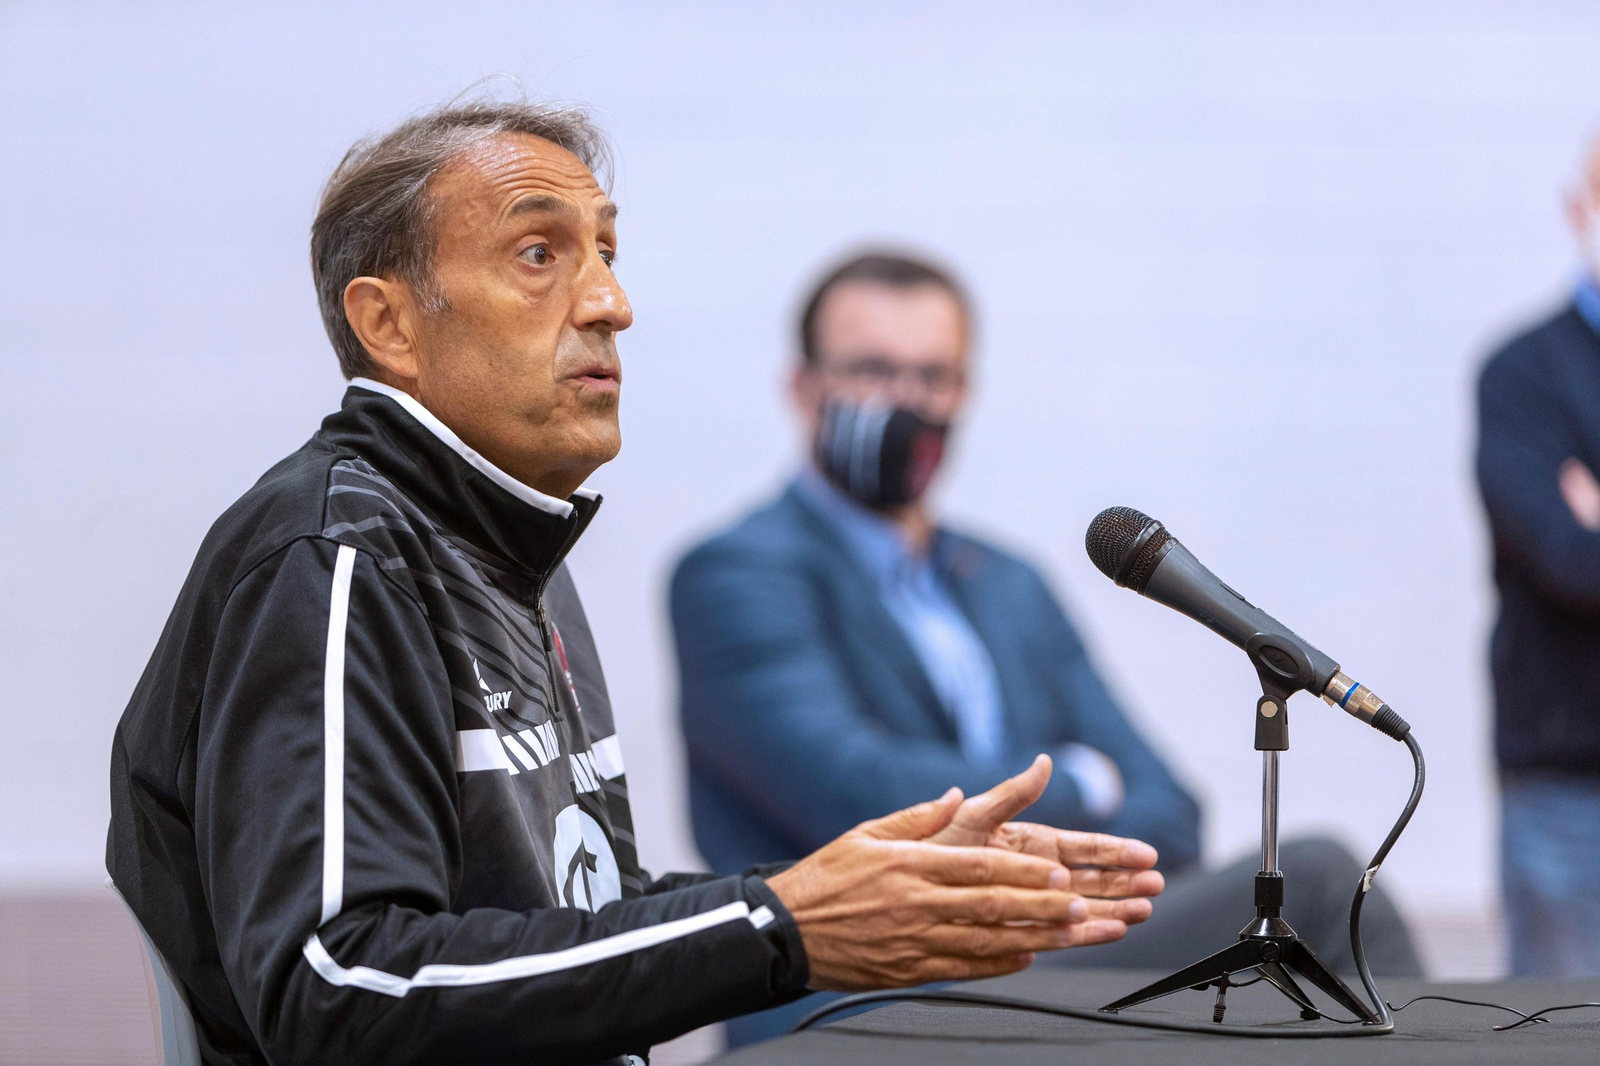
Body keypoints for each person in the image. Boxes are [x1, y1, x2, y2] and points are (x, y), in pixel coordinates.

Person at [105, 100, 1167, 1066]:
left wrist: (850, 892)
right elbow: (340, 988)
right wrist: (778, 927)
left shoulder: (511, 553)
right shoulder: (336, 555)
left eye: (606, 254)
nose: (612, 303)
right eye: (539, 254)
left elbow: (582, 918)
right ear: (389, 325)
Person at [672, 251, 1423, 1044]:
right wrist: (1083, 782)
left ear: (964, 392)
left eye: (932, 377)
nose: (907, 401)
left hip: (1042, 957)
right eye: (873, 371)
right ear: (803, 387)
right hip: (860, 987)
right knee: (1321, 878)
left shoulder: (1008, 583)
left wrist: (1046, 838)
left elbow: (1171, 811)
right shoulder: (737, 574)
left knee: (1308, 910)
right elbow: (855, 792)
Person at [1476, 131, 1600, 977]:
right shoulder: (1523, 375)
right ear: (1578, 207)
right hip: (1568, 786)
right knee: (1561, 1025)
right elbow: (1569, 563)